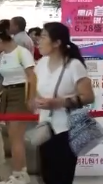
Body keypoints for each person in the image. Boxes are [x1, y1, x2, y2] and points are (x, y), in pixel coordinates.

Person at [33, 22, 94, 184]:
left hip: (67, 129)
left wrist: (59, 102)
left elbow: (88, 96)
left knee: (62, 176)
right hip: (45, 128)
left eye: (43, 37)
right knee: (47, 176)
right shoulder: (41, 64)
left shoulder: (73, 65)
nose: (39, 41)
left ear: (57, 43)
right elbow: (37, 91)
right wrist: (36, 101)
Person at [0, 21, 35, 184]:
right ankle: (20, 173)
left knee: (16, 138)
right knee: (11, 136)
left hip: (20, 94)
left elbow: (32, 77)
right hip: (6, 94)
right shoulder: (2, 55)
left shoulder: (22, 53)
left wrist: (31, 98)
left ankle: (19, 174)